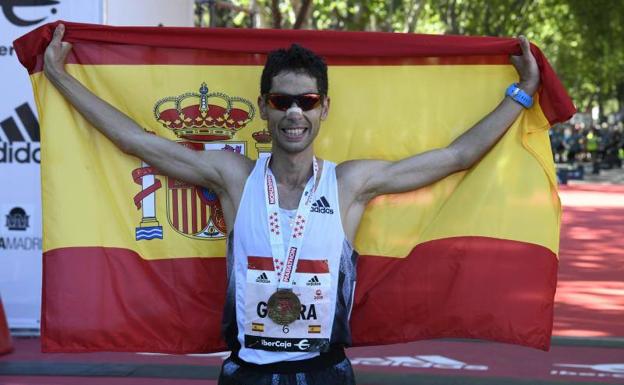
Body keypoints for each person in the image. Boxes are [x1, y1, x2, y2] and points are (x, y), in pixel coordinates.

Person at [43, 24, 540, 385]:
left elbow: (457, 156)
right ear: (264, 107)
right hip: (247, 374)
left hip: (325, 372)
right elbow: (137, 142)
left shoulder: (349, 184)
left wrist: (522, 94)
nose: (295, 113)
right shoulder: (233, 177)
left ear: (325, 108)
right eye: (282, 102)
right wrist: (60, 78)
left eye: (307, 101)